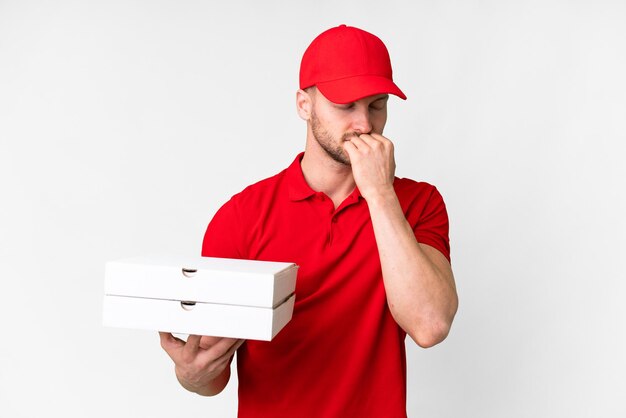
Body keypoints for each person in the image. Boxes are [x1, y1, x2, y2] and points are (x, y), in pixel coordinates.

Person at [159, 24, 458, 417]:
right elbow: (212, 373)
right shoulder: (242, 216)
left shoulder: (418, 203)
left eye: (376, 104)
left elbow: (430, 324)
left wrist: (380, 194)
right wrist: (191, 376)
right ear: (304, 105)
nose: (364, 124)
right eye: (345, 105)